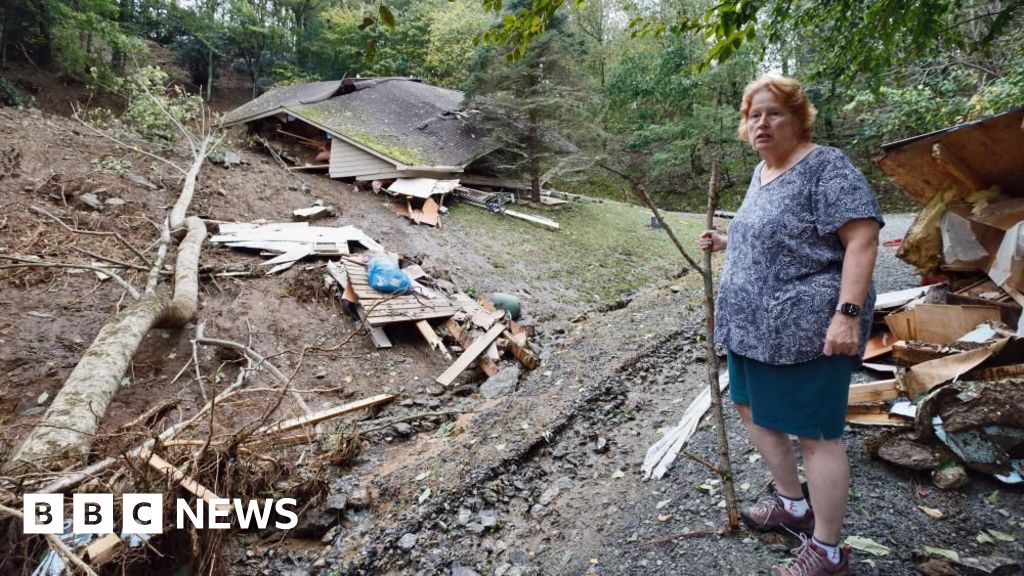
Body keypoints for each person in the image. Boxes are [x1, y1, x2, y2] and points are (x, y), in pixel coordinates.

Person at [698, 74, 882, 576]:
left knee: (815, 433)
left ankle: (827, 551)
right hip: (752, 327)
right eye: (753, 115)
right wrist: (728, 243)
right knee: (751, 408)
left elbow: (862, 240)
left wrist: (846, 315)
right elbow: (782, 239)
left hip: (808, 330)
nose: (761, 123)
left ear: (798, 119)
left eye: (773, 112)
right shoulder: (762, 173)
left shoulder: (826, 166)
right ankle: (792, 503)